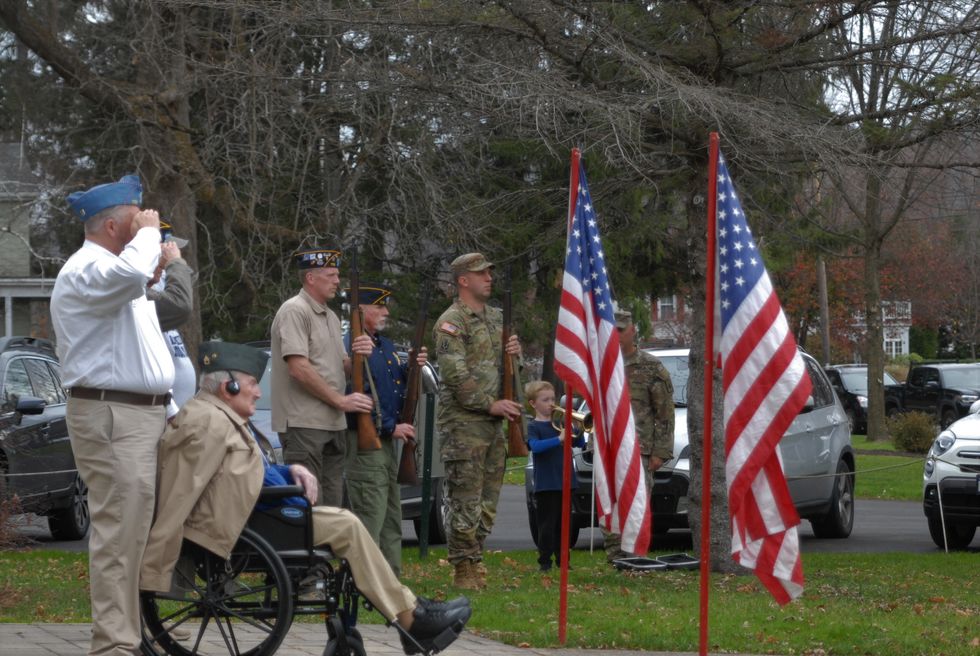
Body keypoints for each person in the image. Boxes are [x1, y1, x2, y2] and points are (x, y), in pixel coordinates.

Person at [139, 341, 471, 655]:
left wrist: (288, 472)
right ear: (230, 387)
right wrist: (285, 479)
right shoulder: (210, 422)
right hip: (250, 523)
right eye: (253, 383)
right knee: (347, 526)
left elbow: (239, 472)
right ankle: (410, 618)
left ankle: (410, 609)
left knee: (346, 523)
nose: (257, 391)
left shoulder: (211, 415)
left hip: (255, 516)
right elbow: (237, 479)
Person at [50, 174, 175, 656]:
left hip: (135, 414)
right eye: (135, 216)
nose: (148, 221)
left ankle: (128, 633)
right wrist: (146, 237)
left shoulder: (120, 275)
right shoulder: (86, 270)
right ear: (110, 225)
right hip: (111, 414)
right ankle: (114, 645)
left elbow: (144, 357)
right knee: (119, 530)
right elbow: (126, 278)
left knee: (134, 531)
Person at [432, 252, 522, 590]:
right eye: (481, 274)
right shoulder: (452, 322)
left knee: (488, 500)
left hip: (494, 423)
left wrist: (516, 354)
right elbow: (456, 377)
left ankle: (477, 556)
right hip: (464, 424)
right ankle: (463, 567)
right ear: (462, 280)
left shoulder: (497, 319)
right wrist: (490, 404)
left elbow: (509, 372)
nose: (489, 278)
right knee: (465, 499)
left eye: (490, 272)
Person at [270, 247, 374, 507]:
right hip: (304, 423)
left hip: (332, 424)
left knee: (333, 507)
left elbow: (341, 368)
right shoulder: (295, 311)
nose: (338, 282)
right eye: (331, 275)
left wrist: (360, 355)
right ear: (311, 278)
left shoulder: (331, 316)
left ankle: (329, 549)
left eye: (338, 275)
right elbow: (298, 368)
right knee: (308, 506)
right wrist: (340, 401)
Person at [343, 283, 427, 577]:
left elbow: (392, 387)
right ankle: (364, 578)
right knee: (371, 515)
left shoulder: (385, 346)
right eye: (379, 306)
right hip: (368, 444)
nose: (385, 312)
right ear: (361, 309)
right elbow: (361, 394)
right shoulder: (351, 346)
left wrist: (412, 367)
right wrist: (391, 427)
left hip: (387, 444)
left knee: (392, 514)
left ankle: (390, 577)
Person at [603, 309, 674, 563]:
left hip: (639, 449)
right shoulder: (602, 365)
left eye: (621, 329)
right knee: (610, 501)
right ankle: (615, 555)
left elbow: (664, 413)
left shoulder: (650, 367)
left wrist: (660, 452)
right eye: (613, 330)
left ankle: (634, 556)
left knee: (636, 504)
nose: (617, 335)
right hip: (608, 448)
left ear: (633, 330)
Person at [525, 380, 585, 572]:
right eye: (545, 400)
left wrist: (578, 428)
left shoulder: (560, 422)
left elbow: (580, 444)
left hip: (567, 481)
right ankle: (544, 561)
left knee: (565, 525)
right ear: (533, 403)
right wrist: (558, 439)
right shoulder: (534, 426)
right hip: (546, 483)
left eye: (552, 399)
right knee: (547, 526)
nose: (551, 403)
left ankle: (564, 561)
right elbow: (535, 447)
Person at [146, 222, 195, 407]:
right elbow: (180, 305)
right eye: (165, 257)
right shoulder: (144, 292)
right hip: (161, 408)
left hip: (174, 409)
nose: (165, 269)